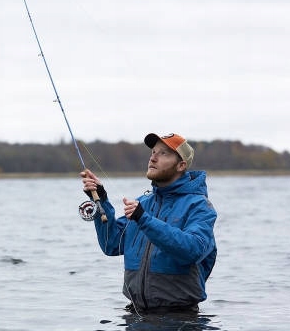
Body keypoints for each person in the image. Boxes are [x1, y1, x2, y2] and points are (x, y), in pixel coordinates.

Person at [81, 133, 217, 314]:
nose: (153, 158)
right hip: (134, 317)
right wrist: (101, 200)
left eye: (163, 153)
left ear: (181, 165)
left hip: (180, 319)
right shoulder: (143, 204)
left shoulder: (199, 206)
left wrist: (144, 219)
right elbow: (111, 244)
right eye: (153, 152)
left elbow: (193, 250)